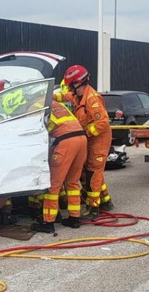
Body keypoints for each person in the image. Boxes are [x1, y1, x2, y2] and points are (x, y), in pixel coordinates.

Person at [56, 65, 114, 221]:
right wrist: (47, 97)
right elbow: (63, 96)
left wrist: (86, 133)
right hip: (89, 140)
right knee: (86, 170)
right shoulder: (77, 96)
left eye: (70, 85)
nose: (69, 88)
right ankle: (106, 201)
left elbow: (102, 122)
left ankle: (94, 207)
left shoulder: (92, 99)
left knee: (93, 172)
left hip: (99, 139)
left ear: (77, 83)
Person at [31, 100, 88, 233]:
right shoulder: (56, 103)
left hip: (65, 142)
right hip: (81, 139)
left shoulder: (34, 107)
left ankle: (48, 222)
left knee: (53, 185)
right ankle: (74, 218)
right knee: (73, 182)